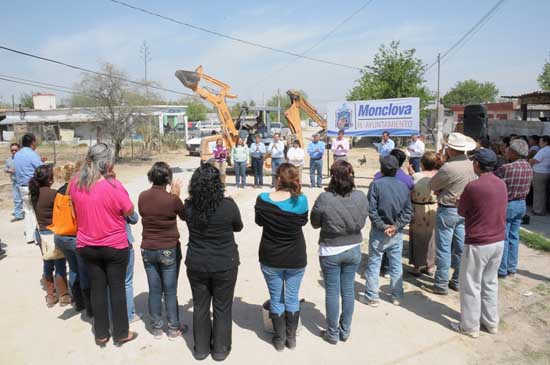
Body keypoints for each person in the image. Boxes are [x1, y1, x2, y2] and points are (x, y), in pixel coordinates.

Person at [70, 143, 137, 347]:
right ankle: (121, 333)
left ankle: (101, 334)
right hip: (114, 246)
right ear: (107, 163)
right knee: (116, 289)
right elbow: (129, 211)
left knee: (98, 289)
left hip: (87, 246)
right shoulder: (113, 187)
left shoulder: (75, 183)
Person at [184, 163, 243, 361]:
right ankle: (220, 350)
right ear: (218, 185)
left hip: (197, 263)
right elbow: (238, 227)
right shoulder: (228, 205)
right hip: (224, 263)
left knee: (201, 306)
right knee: (222, 307)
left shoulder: (189, 206)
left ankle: (201, 349)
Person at [310, 160, 368, 344]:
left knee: (333, 292)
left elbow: (314, 223)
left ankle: (333, 333)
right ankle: (345, 330)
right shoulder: (360, 196)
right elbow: (363, 221)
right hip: (353, 248)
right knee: (348, 290)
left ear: (332, 176)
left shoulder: (324, 198)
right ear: (351, 175)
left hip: (331, 250)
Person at [452, 149, 507, 338]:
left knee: (471, 284)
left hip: (478, 241)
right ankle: (491, 322)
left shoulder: (473, 187)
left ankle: (470, 326)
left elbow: (462, 211)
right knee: (490, 282)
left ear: (477, 165)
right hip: (498, 240)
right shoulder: (501, 184)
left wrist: (459, 202)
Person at [255, 163, 308, 351]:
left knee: (276, 298)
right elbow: (303, 221)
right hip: (296, 257)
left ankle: (279, 339)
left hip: (271, 257)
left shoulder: (262, 199)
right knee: (292, 298)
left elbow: (259, 221)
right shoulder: (301, 200)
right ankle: (291, 339)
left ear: (278, 179)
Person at [139, 162, 186, 340]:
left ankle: (156, 328)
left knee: (154, 289)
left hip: (148, 248)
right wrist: (176, 196)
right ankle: (173, 328)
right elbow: (185, 215)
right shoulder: (171, 199)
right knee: (170, 290)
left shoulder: (142, 196)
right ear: (168, 178)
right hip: (167, 248)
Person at [359, 156, 413, 307]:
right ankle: (397, 296)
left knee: (374, 263)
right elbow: (408, 211)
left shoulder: (375, 185)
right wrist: (396, 226)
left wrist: (383, 226)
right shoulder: (403, 186)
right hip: (396, 232)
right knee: (396, 264)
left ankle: (372, 296)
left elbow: (371, 210)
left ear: (381, 169)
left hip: (379, 231)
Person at [427, 132, 477, 295]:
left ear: (451, 149)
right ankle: (457, 280)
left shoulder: (449, 167)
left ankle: (441, 283)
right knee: (460, 247)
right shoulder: (471, 164)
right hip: (464, 210)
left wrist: (441, 190)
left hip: (448, 209)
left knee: (444, 248)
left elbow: (432, 184)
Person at [29, 164, 70, 308]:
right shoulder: (53, 194)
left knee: (47, 264)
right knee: (60, 264)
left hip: (41, 233)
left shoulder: (33, 194)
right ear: (50, 179)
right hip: (53, 233)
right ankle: (64, 294)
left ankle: (51, 295)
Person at [494, 139, 533, 278]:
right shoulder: (529, 167)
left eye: (509, 149)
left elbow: (492, 179)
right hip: (521, 204)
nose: (506, 151)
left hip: (508, 204)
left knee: (503, 237)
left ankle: (502, 269)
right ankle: (512, 267)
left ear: (514, 152)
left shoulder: (507, 168)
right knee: (514, 236)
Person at [53, 163, 87, 313]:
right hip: (75, 236)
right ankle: (88, 304)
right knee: (84, 270)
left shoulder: (59, 192)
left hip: (61, 235)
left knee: (73, 269)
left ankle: (78, 302)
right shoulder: (79, 190)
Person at [409, 152, 439, 277]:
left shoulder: (416, 176)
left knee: (417, 237)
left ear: (422, 163)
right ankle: (430, 266)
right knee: (432, 237)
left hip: (418, 208)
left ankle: (417, 266)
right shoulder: (438, 176)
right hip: (433, 207)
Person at [13, 133, 45, 243]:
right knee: (36, 210)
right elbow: (41, 168)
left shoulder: (17, 154)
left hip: (21, 187)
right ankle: (37, 238)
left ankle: (29, 237)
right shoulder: (32, 154)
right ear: (32, 142)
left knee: (27, 211)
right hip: (32, 186)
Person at [529, 135, 550, 215]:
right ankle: (537, 208)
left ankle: (538, 210)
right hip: (545, 172)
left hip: (539, 172)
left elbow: (535, 160)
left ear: (545, 142)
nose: (539, 143)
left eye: (541, 141)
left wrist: (529, 160)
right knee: (541, 191)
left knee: (539, 192)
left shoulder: (544, 150)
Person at [4, 143, 23, 222]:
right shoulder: (9, 160)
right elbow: (5, 169)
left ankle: (34, 214)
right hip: (15, 182)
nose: (14, 152)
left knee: (28, 199)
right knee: (17, 199)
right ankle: (18, 215)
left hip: (25, 182)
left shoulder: (23, 159)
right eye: (12, 150)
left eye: (16, 150)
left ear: (19, 150)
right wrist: (9, 170)